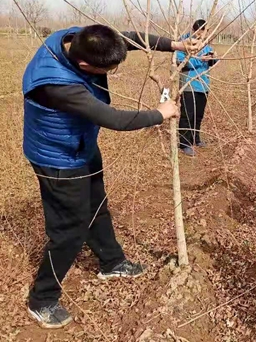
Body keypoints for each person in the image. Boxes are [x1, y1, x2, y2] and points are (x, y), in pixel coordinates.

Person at [22, 24, 199, 329]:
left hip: (80, 144)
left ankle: (111, 262)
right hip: (58, 159)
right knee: (69, 229)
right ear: (85, 66)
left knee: (96, 205)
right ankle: (42, 299)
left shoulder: (80, 39)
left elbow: (128, 38)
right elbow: (114, 119)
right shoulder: (57, 85)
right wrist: (160, 113)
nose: (112, 72)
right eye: (109, 70)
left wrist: (175, 45)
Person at [176, 19, 219, 156]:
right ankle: (184, 143)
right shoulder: (183, 42)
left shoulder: (205, 44)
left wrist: (213, 58)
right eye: (203, 32)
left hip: (203, 84)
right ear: (196, 30)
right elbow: (182, 62)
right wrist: (200, 59)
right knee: (187, 114)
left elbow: (211, 61)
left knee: (198, 115)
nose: (204, 35)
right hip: (189, 84)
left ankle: (196, 138)